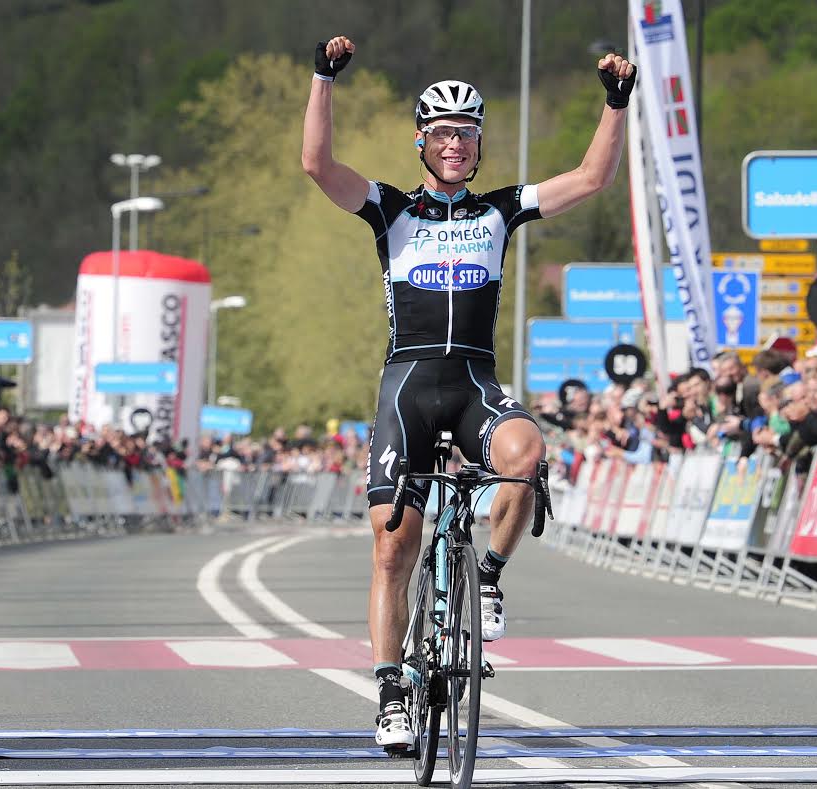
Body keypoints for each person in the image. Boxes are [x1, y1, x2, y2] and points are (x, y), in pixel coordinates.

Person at [301, 34, 637, 749]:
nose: (456, 144)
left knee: (527, 454)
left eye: (468, 133)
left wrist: (616, 103)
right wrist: (322, 79)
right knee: (394, 546)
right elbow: (317, 165)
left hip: (477, 383)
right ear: (423, 142)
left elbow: (591, 178)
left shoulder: (501, 210)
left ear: (479, 145)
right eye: (444, 133)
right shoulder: (390, 210)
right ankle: (391, 690)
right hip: (409, 386)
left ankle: (486, 574)